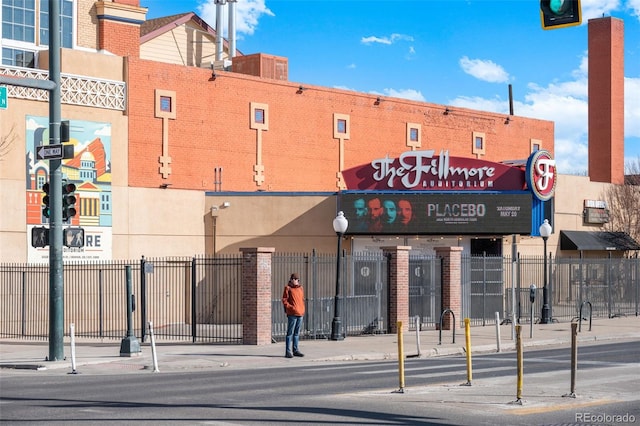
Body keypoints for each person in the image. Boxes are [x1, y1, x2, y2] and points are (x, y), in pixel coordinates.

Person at [282, 273, 305, 358]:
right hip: (292, 314)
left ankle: (296, 350)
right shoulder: (288, 288)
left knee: (296, 333)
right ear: (291, 280)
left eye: (297, 279)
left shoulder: (301, 288)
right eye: (294, 279)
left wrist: (302, 309)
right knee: (290, 333)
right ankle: (288, 351)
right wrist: (291, 307)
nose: (295, 281)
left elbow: (302, 299)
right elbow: (284, 300)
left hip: (300, 313)